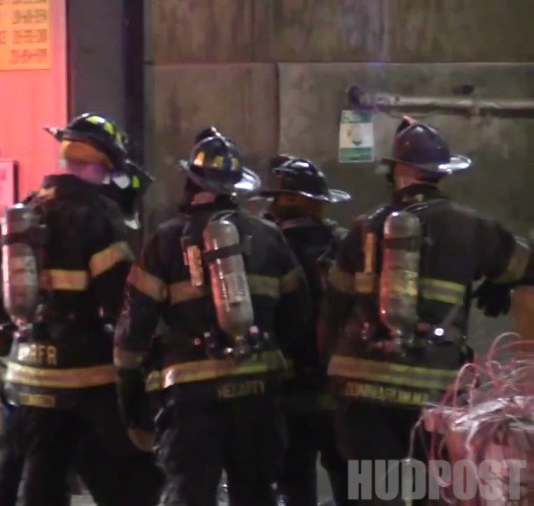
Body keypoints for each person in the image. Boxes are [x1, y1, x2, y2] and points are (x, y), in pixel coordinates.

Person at [320, 117, 534, 505]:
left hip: (361, 388)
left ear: (395, 172)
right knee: (433, 493)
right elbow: (527, 266)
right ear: (441, 173)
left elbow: (332, 312)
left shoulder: (363, 228)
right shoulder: (471, 226)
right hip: (434, 393)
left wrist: (331, 374)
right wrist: (499, 283)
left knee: (374, 493)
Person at [114, 126, 311, 506]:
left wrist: (129, 390)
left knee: (190, 494)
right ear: (235, 187)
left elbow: (134, 327)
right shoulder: (269, 236)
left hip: (190, 396)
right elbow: (297, 313)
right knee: (255, 494)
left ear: (191, 180)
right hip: (257, 388)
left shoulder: (165, 240)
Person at [0, 113, 163, 506]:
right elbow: (120, 301)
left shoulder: (24, 210)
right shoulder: (97, 214)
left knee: (31, 472)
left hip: (27, 374)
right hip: (87, 376)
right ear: (100, 165)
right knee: (130, 476)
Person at [259, 155, 352, 506]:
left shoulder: (263, 247)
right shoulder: (343, 244)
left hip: (286, 387)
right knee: (353, 481)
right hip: (342, 386)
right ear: (314, 203)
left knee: (295, 484)